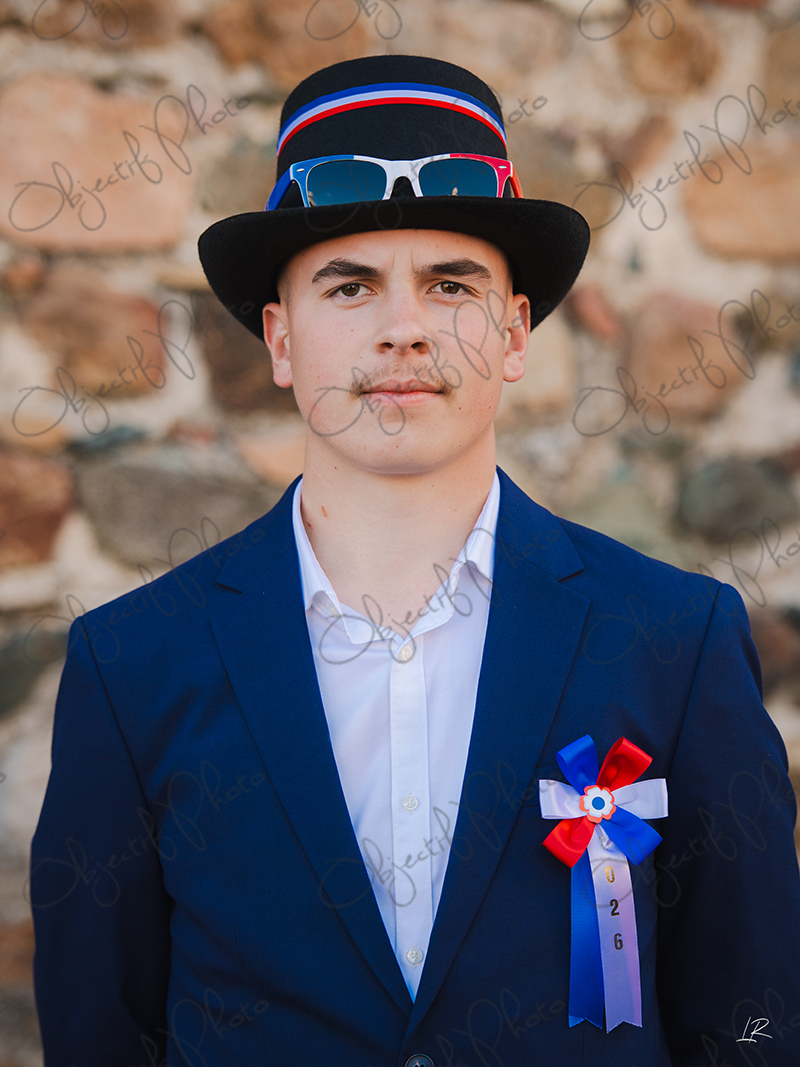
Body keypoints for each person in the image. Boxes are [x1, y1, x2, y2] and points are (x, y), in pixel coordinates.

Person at [30, 54, 800, 1067]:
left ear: (514, 331)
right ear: (280, 340)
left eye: (450, 284)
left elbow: (752, 1021)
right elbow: (100, 1033)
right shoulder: (132, 666)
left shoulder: (674, 640)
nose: (403, 329)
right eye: (349, 285)